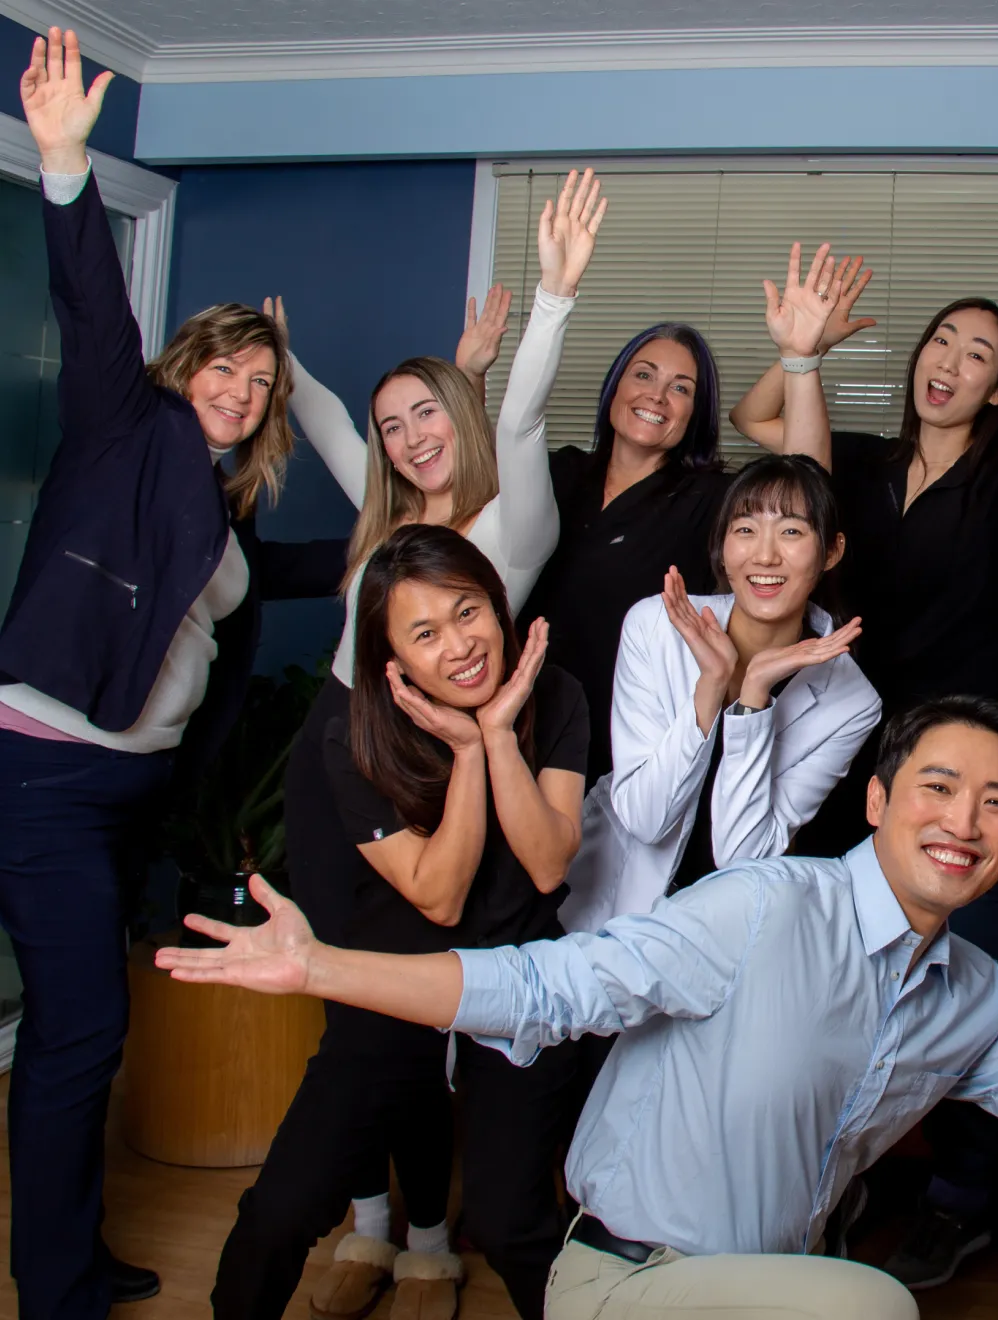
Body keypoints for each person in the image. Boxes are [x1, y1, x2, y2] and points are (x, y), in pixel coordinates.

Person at [157, 694, 998, 1320]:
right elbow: (541, 985)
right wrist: (317, 967)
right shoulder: (762, 908)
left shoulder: (973, 998)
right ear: (875, 802)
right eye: (935, 786)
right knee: (873, 1304)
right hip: (628, 1280)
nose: (960, 821)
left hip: (767, 1294)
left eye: (994, 803)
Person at [0, 31, 343, 1317]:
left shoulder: (219, 509)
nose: (242, 392)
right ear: (183, 366)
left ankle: (70, 1259)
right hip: (40, 771)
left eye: (261, 385)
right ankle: (58, 1286)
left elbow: (296, 570)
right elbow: (92, 300)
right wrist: (63, 164)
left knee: (83, 1035)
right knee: (81, 1034)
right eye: (228, 368)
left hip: (127, 791)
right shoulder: (123, 423)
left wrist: (410, 534)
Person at [731, 247, 998, 1305]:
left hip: (979, 768)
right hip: (872, 767)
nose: (947, 361)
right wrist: (798, 352)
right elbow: (764, 425)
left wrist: (977, 783)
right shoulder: (854, 465)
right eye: (940, 339)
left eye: (976, 352)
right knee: (888, 990)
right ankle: (952, 1200)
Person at [267, 173, 597, 1312]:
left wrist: (553, 297)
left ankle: (423, 1233)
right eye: (392, 422)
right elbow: (319, 421)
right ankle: (370, 1227)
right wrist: (283, 361)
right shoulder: (389, 516)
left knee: (407, 1001)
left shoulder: (510, 517)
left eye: (427, 415)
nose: (409, 438)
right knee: (346, 1000)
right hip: (339, 751)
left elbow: (515, 420)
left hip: (442, 763)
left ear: (460, 411)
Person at [210, 526, 593, 1320]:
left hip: (517, 977)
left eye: (469, 611)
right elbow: (439, 895)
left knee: (513, 1222)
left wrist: (495, 735)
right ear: (392, 660)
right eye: (426, 633)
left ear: (497, 603)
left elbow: (550, 862)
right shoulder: (352, 734)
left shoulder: (555, 693)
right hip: (395, 975)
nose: (460, 645)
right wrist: (465, 759)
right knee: (281, 1212)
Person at [559, 453, 880, 933]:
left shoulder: (851, 702)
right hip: (610, 914)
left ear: (831, 552)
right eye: (745, 530)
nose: (764, 555)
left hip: (724, 933)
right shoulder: (655, 627)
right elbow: (645, 821)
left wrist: (753, 700)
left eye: (791, 532)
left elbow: (741, 857)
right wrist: (710, 689)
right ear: (723, 546)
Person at [520, 319, 731, 789]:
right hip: (519, 723)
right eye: (643, 374)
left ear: (696, 413)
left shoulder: (708, 500)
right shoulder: (557, 472)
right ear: (615, 383)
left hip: (622, 750)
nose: (656, 396)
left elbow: (803, 496)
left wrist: (799, 359)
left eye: (680, 387)